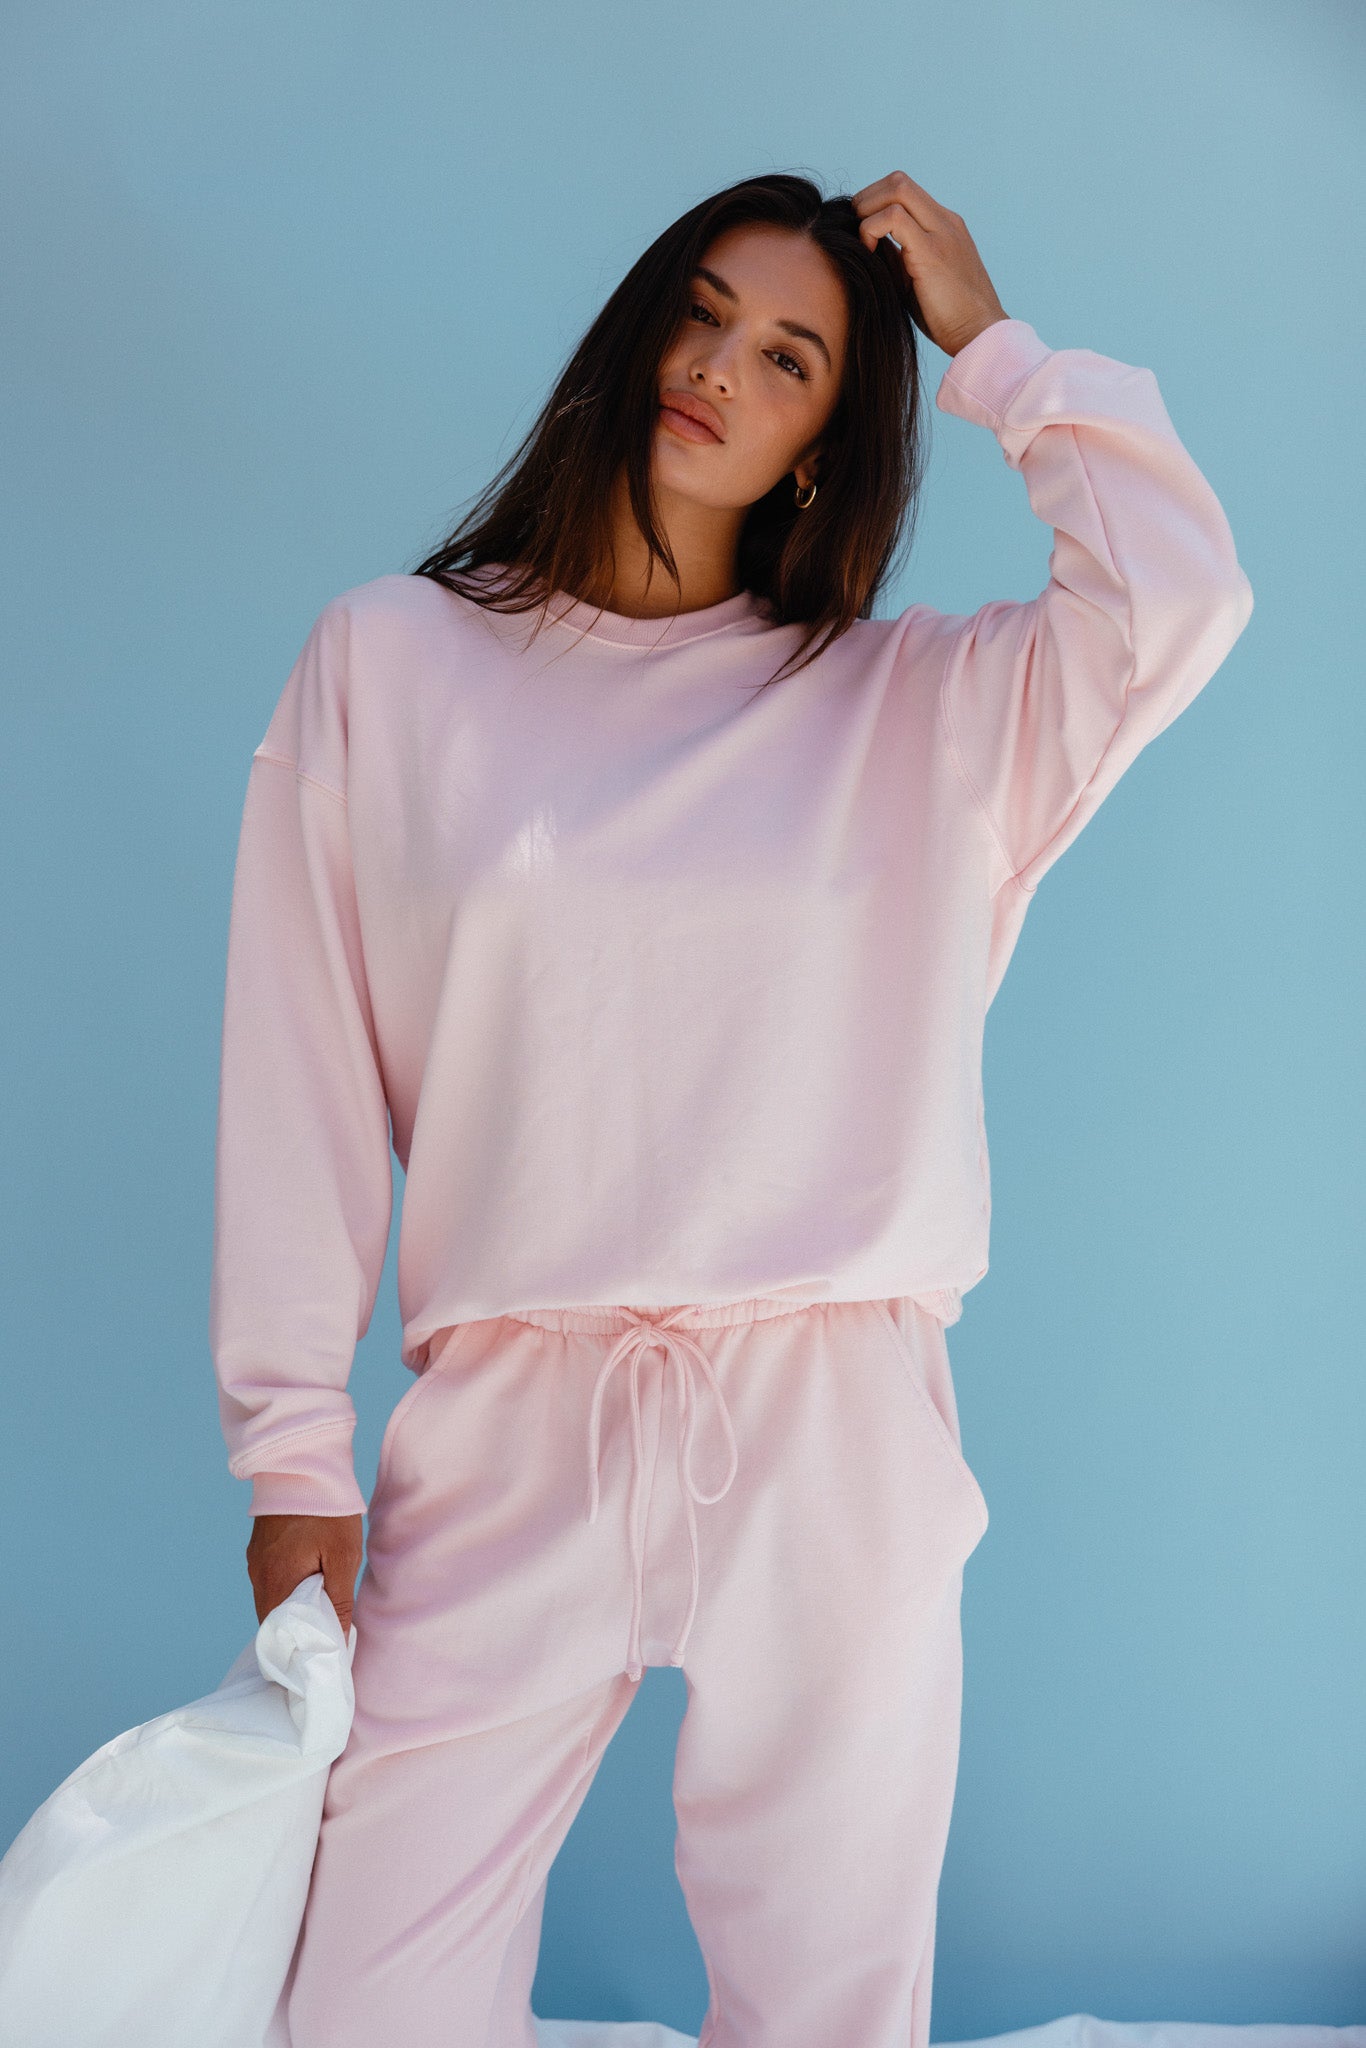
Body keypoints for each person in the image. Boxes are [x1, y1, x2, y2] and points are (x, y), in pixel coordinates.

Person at [209, 169, 1253, 2048]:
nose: (716, 370)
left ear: (821, 442)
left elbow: (1176, 600)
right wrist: (294, 1461)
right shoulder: (392, 660)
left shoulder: (917, 709)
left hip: (830, 1417)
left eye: (787, 358)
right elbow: (296, 1075)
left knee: (829, 1997)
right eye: (699, 315)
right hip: (512, 1414)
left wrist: (993, 348)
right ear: (633, 335)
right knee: (367, 2001)